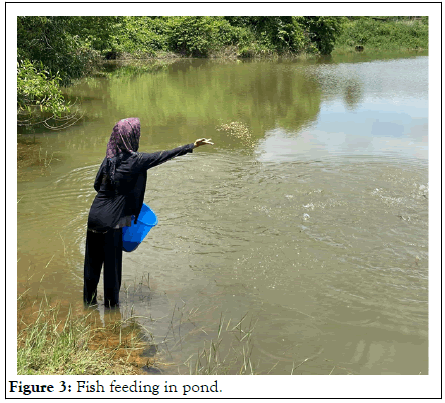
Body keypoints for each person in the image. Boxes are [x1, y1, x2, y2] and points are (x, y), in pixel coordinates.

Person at [84, 117, 213, 307]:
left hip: (94, 217)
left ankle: (88, 306)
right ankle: (112, 314)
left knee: (92, 267)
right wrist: (192, 145)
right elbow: (164, 155)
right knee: (112, 272)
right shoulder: (136, 160)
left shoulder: (109, 159)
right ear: (132, 137)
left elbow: (97, 185)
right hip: (112, 223)